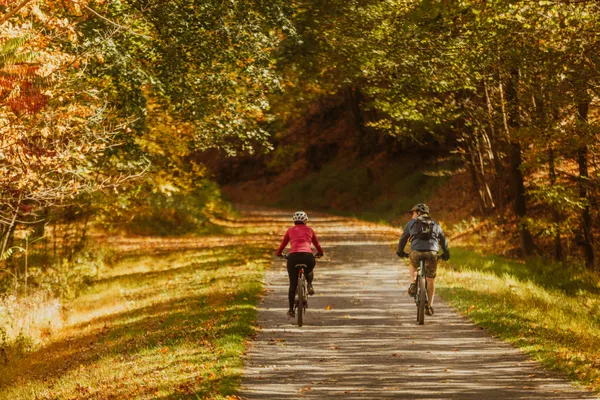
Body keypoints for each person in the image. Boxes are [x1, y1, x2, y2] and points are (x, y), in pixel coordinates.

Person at [396, 203, 449, 316]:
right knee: (431, 279)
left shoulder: (411, 223)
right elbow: (443, 240)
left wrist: (400, 252)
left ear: (418, 212)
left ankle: (413, 284)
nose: (412, 216)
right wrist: (446, 253)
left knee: (413, 263)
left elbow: (403, 239)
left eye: (413, 213)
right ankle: (429, 306)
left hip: (416, 252)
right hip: (432, 252)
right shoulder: (435, 224)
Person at [276, 211, 324, 318]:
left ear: (294, 221)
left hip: (293, 257)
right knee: (309, 270)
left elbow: (283, 244)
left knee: (293, 284)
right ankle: (310, 284)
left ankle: (291, 310)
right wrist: (320, 253)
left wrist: (279, 254)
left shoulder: (290, 230)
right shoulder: (310, 230)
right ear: (305, 221)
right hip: (308, 257)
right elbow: (317, 244)